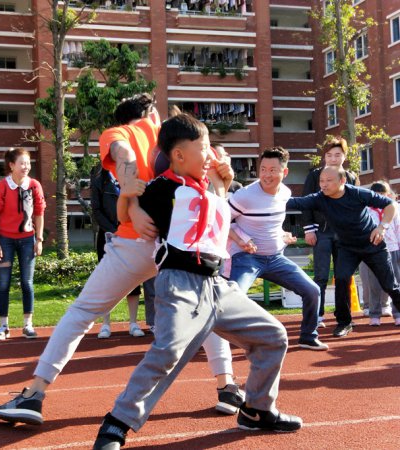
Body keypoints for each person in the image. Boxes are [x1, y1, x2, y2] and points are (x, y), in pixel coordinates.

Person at [0, 94, 244, 426]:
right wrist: (224, 177)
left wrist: (131, 200)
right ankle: (226, 386)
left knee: (82, 313)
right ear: (151, 112)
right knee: (207, 309)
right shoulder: (177, 136)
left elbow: (124, 156)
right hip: (179, 244)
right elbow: (211, 180)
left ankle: (34, 393)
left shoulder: (118, 133)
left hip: (136, 240)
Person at [92, 115, 301, 450]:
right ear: (178, 155)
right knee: (168, 350)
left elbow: (219, 216)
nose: (211, 155)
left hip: (218, 285)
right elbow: (124, 212)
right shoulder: (162, 188)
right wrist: (131, 205)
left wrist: (223, 182)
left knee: (273, 336)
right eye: (204, 148)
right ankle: (116, 424)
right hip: (180, 283)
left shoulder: (210, 188)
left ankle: (257, 410)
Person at [227, 147, 327, 350]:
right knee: (234, 296)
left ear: (285, 172)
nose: (266, 175)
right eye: (263, 169)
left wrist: (283, 235)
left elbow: (272, 224)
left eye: (272, 170)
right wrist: (240, 240)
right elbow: (220, 221)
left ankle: (308, 336)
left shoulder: (285, 193)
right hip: (247, 257)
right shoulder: (245, 195)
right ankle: (225, 339)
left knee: (312, 291)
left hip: (275, 258)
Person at [288, 166, 400, 337]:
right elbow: (295, 202)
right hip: (347, 247)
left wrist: (382, 227)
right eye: (321, 181)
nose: (324, 184)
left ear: (342, 181)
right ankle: (344, 323)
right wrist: (268, 194)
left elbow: (390, 204)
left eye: (329, 181)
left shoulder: (358, 193)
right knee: (341, 279)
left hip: (372, 244)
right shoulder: (320, 198)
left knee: (389, 284)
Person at [0, 148, 46, 340]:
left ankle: (28, 325)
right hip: (5, 240)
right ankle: (3, 326)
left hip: (28, 240)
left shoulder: (34, 186)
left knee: (27, 283)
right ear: (11, 165)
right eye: (22, 163)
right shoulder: (1, 187)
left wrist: (39, 239)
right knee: (3, 283)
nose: (26, 166)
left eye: (28, 163)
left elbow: (39, 213)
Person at [301, 137, 358, 327]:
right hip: (321, 232)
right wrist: (309, 229)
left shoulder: (350, 177)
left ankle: (344, 317)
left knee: (344, 275)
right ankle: (317, 316)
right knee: (321, 276)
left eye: (338, 155)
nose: (333, 158)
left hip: (344, 234)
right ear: (324, 157)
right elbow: (306, 203)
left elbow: (355, 206)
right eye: (329, 155)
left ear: (344, 156)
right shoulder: (315, 176)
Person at [90, 164, 148, 338]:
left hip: (131, 233)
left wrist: (126, 228)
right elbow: (96, 209)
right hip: (107, 235)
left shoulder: (133, 171)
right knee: (107, 280)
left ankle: (133, 323)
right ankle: (105, 324)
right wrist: (113, 230)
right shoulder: (99, 176)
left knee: (133, 278)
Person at [360, 181, 400, 326]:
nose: (380, 197)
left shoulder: (394, 208)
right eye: (376, 195)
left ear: (388, 194)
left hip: (393, 249)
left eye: (383, 194)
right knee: (374, 283)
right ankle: (374, 314)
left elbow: (398, 228)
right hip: (374, 251)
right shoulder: (366, 210)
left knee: (395, 282)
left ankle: (397, 313)